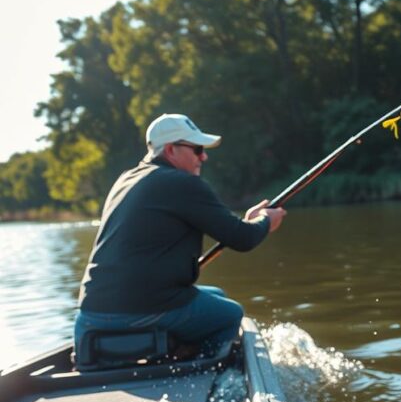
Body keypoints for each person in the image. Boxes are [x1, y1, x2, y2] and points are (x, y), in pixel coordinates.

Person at [74, 113, 286, 360]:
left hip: (89, 316)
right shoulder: (181, 183)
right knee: (231, 314)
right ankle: (206, 371)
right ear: (171, 150)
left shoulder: (126, 179)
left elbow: (235, 231)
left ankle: (178, 350)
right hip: (137, 312)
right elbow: (243, 238)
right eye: (197, 149)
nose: (203, 156)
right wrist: (266, 221)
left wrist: (251, 222)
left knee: (216, 295)